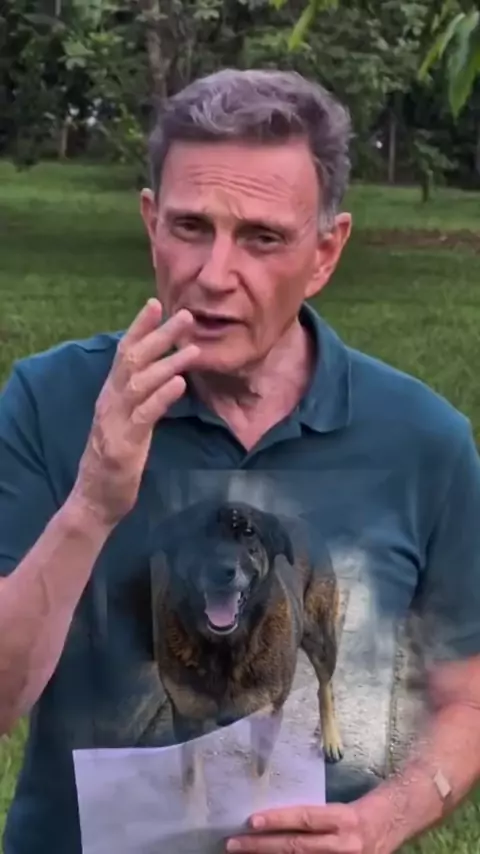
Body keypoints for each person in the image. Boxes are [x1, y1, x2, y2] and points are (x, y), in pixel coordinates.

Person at [1, 67, 480, 854]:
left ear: (325, 252)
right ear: (151, 223)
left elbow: (466, 702)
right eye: (191, 227)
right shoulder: (50, 402)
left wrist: (376, 824)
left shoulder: (423, 440)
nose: (215, 274)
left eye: (263, 238)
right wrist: (91, 505)